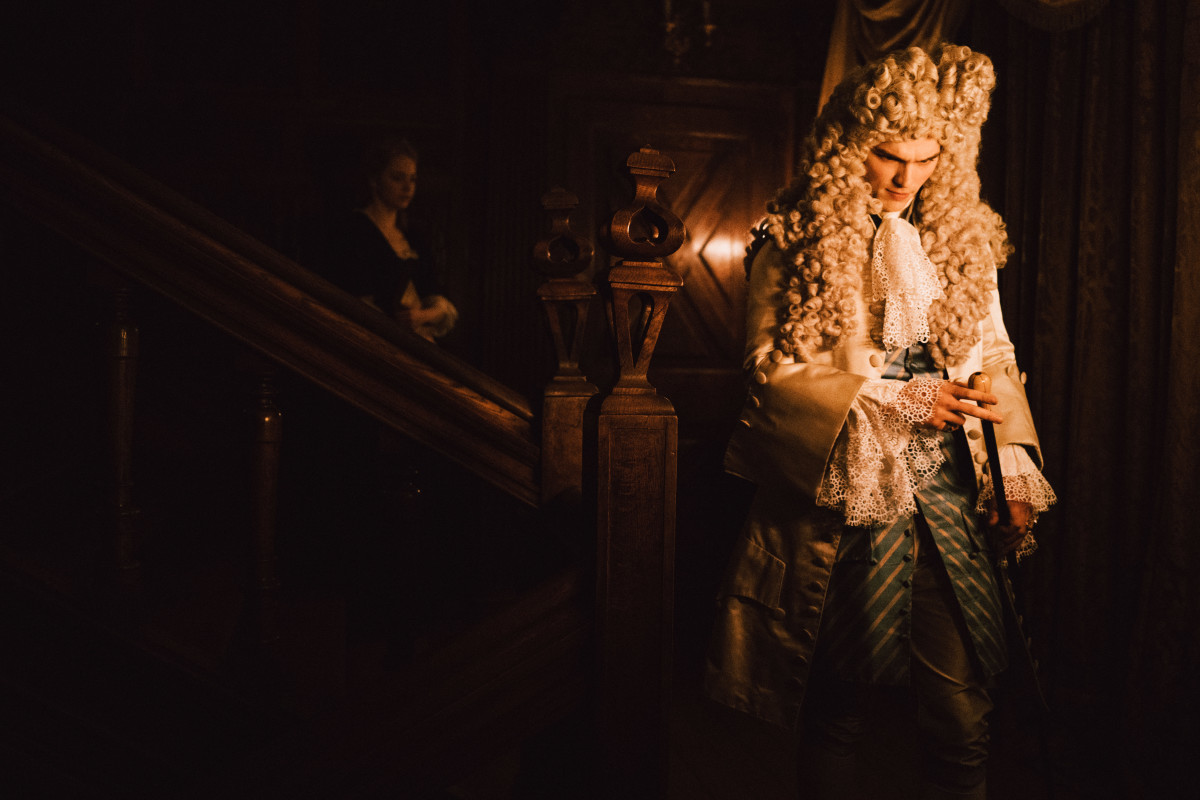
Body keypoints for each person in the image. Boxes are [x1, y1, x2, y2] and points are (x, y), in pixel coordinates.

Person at [704, 44, 1056, 800]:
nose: (906, 178)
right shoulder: (790, 234)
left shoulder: (960, 238)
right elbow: (766, 373)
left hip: (950, 494)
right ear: (848, 144)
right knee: (836, 707)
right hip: (848, 490)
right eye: (889, 156)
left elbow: (994, 353)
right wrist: (897, 400)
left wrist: (1012, 470)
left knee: (962, 714)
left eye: (927, 160)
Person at [322, 136, 457, 341]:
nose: (407, 187)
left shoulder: (414, 237)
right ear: (375, 180)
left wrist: (422, 316)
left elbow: (436, 297)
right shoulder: (354, 231)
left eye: (412, 179)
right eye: (397, 178)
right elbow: (354, 301)